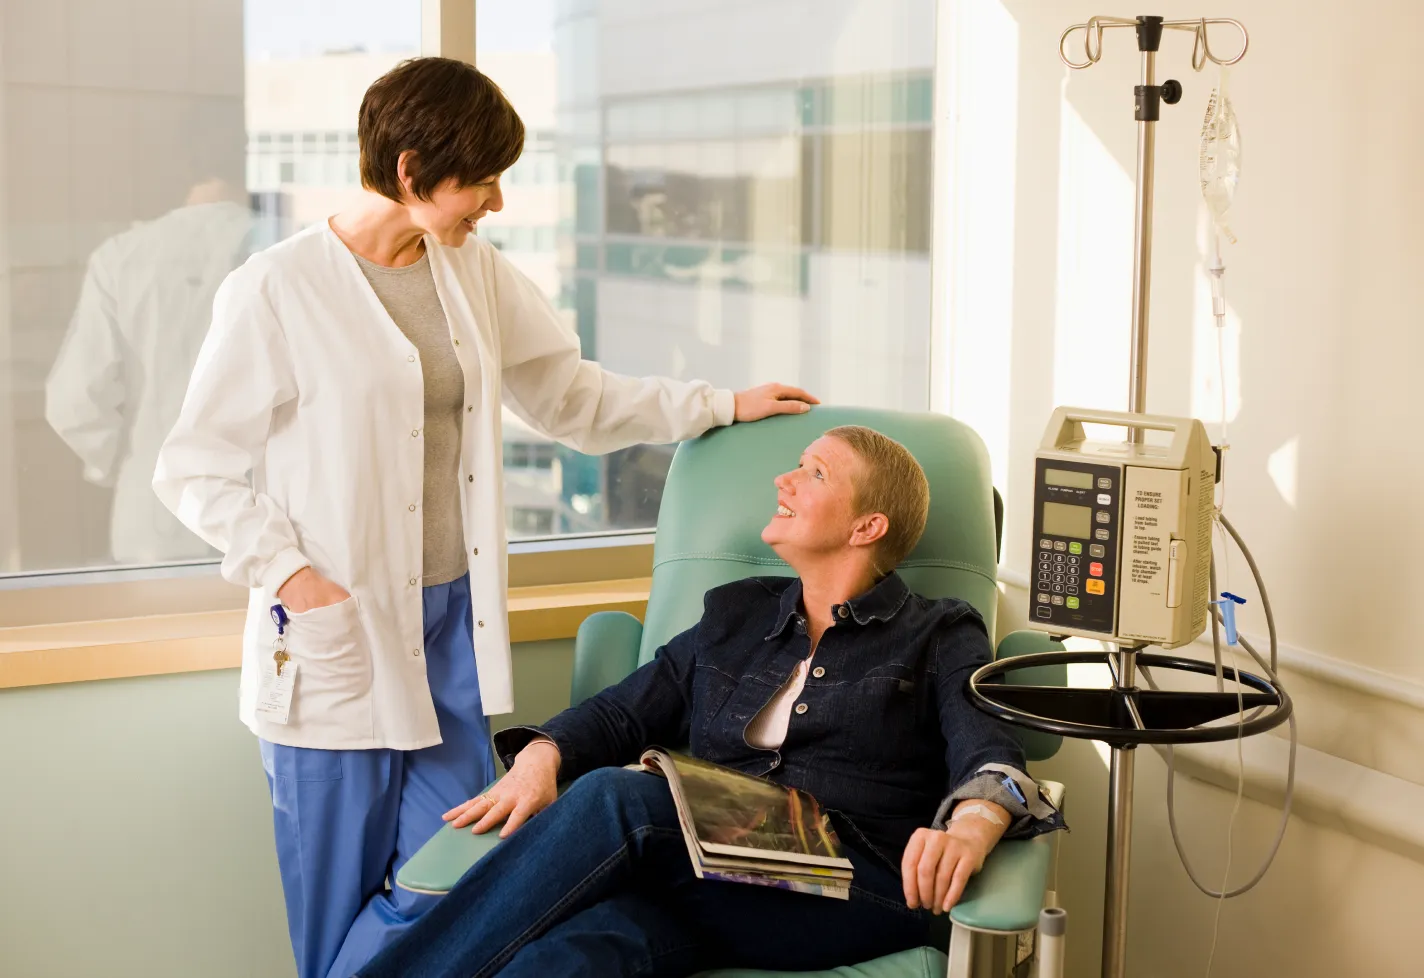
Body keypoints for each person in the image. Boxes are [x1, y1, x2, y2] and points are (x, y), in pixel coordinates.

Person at [152, 57, 816, 978]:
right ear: (412, 169)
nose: (496, 202)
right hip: (333, 637)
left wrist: (719, 404)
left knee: (467, 880)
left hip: (450, 634)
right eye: (481, 179)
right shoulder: (276, 289)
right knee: (332, 903)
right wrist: (297, 579)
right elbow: (194, 468)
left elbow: (571, 398)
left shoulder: (472, 269)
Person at [358, 426, 1064, 978]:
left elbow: (988, 755)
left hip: (851, 884)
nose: (784, 479)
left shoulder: (937, 631)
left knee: (619, 799)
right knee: (563, 962)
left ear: (866, 527)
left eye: (815, 473)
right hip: (709, 877)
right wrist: (540, 756)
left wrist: (971, 826)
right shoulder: (737, 615)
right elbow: (622, 713)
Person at [46, 177, 253, 564]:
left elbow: (74, 403)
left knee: (157, 624)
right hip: (263, 509)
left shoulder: (122, 256)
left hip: (152, 515)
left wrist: (128, 462)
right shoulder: (280, 246)